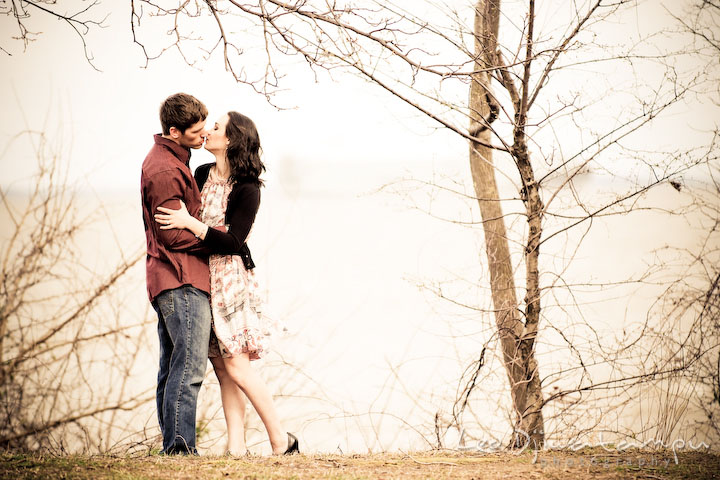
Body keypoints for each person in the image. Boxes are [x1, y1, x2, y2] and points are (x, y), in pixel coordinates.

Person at [154, 111, 299, 456]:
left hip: (231, 280)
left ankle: (281, 439)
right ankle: (237, 447)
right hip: (203, 276)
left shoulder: (248, 188)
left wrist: (190, 223)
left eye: (216, 127)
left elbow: (234, 241)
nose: (208, 131)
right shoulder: (202, 173)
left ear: (231, 140)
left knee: (237, 365)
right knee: (223, 368)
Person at [140, 93, 212, 455]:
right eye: (197, 131)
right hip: (180, 279)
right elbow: (172, 233)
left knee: (171, 368)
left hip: (169, 279)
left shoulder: (170, 160)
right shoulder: (167, 170)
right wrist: (214, 240)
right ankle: (181, 450)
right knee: (188, 369)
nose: (204, 136)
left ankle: (173, 446)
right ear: (174, 131)